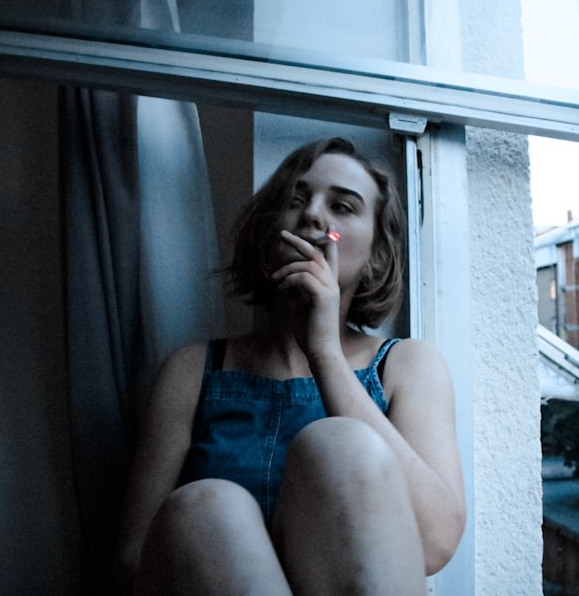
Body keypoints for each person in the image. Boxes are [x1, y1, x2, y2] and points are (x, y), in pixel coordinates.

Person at [116, 137, 466, 595]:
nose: (314, 215)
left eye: (342, 206)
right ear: (269, 231)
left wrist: (324, 352)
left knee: (342, 446)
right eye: (297, 199)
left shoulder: (407, 365)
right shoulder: (190, 372)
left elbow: (435, 542)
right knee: (206, 506)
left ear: (377, 254)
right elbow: (133, 560)